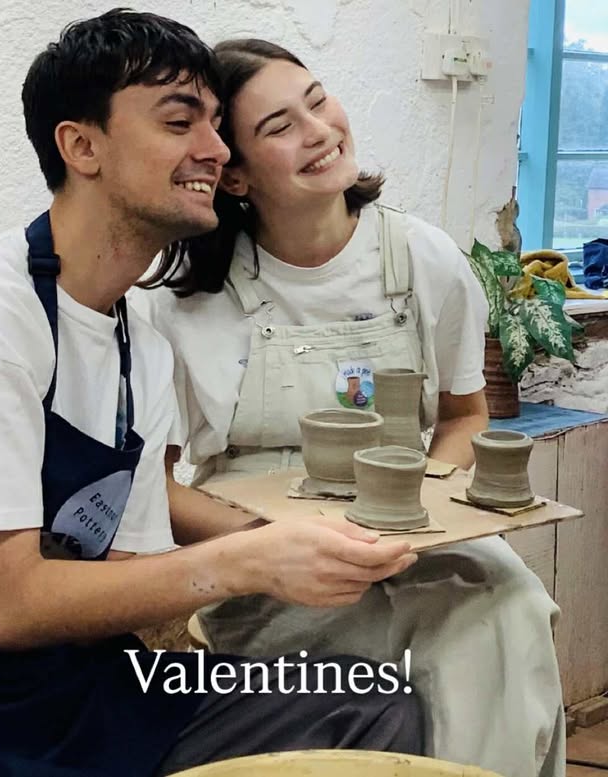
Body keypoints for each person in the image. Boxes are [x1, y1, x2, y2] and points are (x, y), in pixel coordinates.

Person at [0, 10, 428, 777]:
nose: (213, 149)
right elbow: (6, 605)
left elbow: (133, 569)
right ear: (81, 146)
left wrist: (316, 546)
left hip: (91, 686)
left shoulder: (139, 332)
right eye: (180, 122)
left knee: (369, 694)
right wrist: (247, 559)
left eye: (216, 125)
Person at [134, 39, 566, 777]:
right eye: (278, 126)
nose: (320, 129)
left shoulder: (422, 259)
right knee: (423, 662)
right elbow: (155, 484)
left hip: (416, 529)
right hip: (274, 561)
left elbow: (463, 418)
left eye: (317, 97)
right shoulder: (183, 304)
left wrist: (415, 505)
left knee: (507, 614)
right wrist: (271, 539)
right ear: (232, 171)